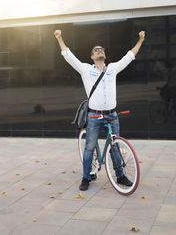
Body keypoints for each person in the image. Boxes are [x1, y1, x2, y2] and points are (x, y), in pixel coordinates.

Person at [54, 29, 145, 191]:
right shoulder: (85, 70)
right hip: (94, 115)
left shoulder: (112, 69)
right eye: (96, 50)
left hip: (112, 114)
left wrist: (140, 40)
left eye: (102, 49)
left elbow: (130, 56)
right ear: (92, 57)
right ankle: (86, 177)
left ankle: (120, 176)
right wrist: (59, 38)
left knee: (115, 146)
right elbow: (68, 55)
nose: (100, 51)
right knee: (89, 147)